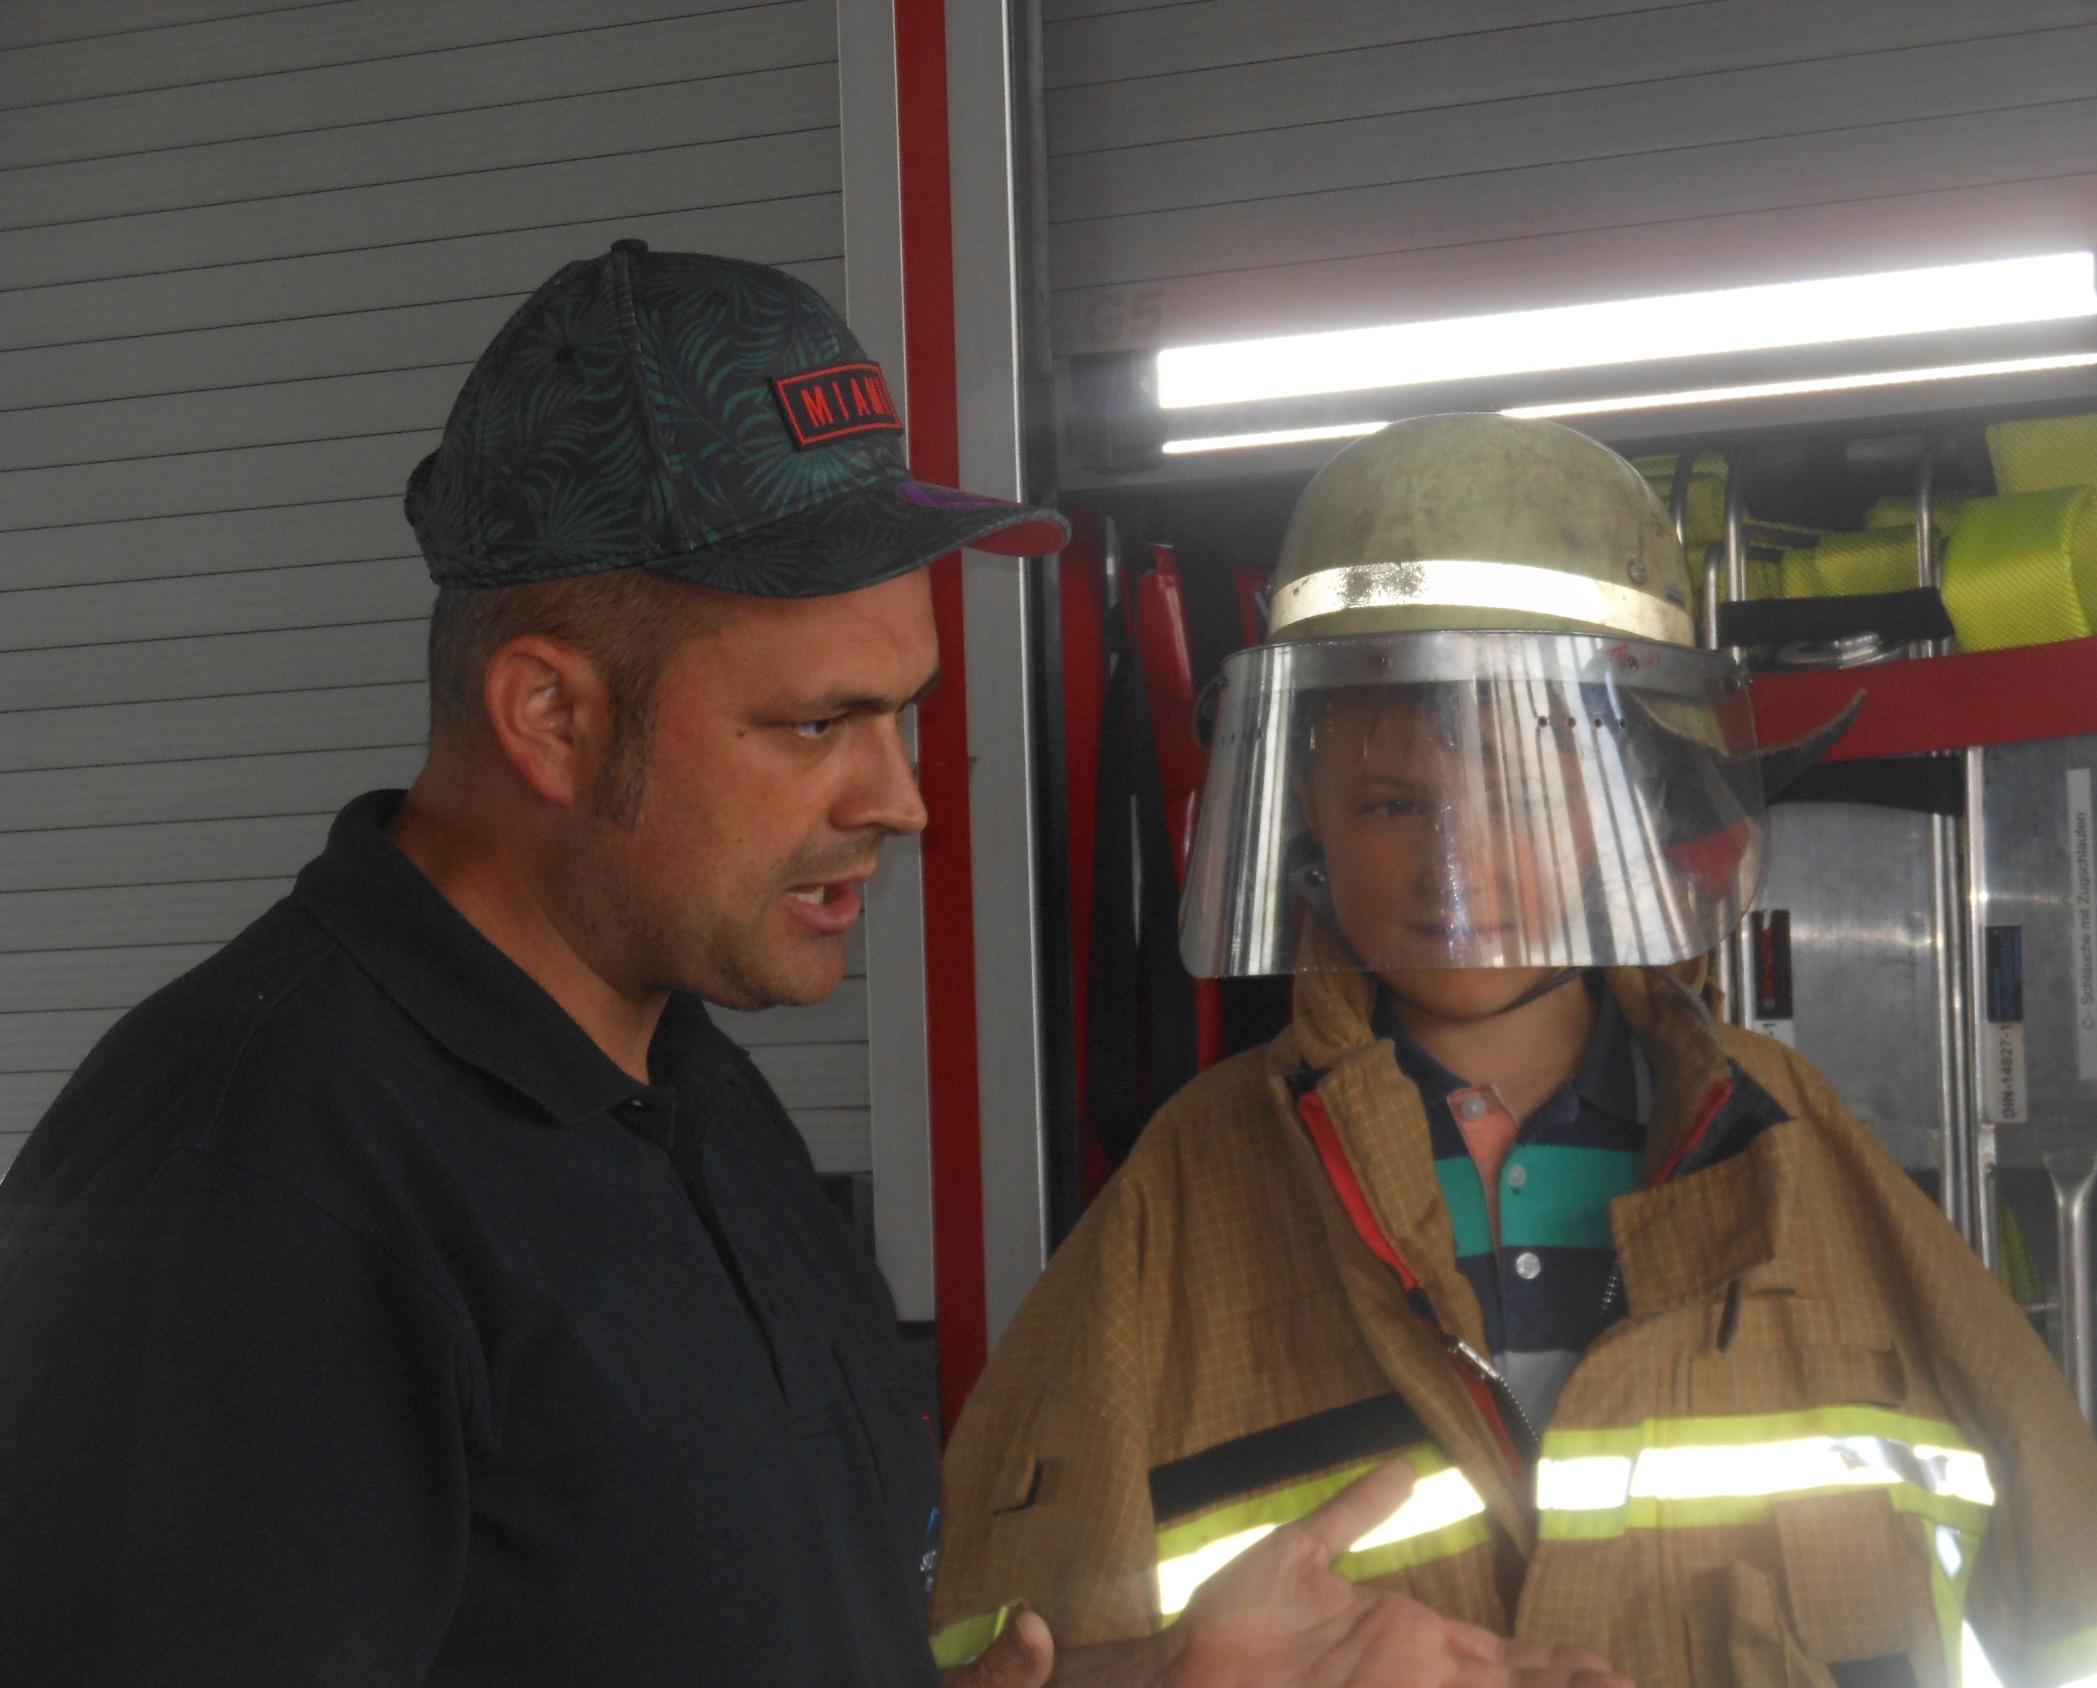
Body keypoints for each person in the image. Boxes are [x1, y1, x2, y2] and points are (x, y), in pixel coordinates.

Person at [0, 246, 1624, 1688]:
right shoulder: (243, 1188)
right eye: (815, 724)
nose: (901, 798)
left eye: (901, 712)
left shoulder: (690, 1098)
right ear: (550, 716)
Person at [929, 413, 2097, 1686]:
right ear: (1301, 824)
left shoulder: (1785, 1147)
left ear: (1639, 812)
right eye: (1391, 804)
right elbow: (1003, 1651)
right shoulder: (1192, 1194)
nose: (1457, 869)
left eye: (1530, 795)